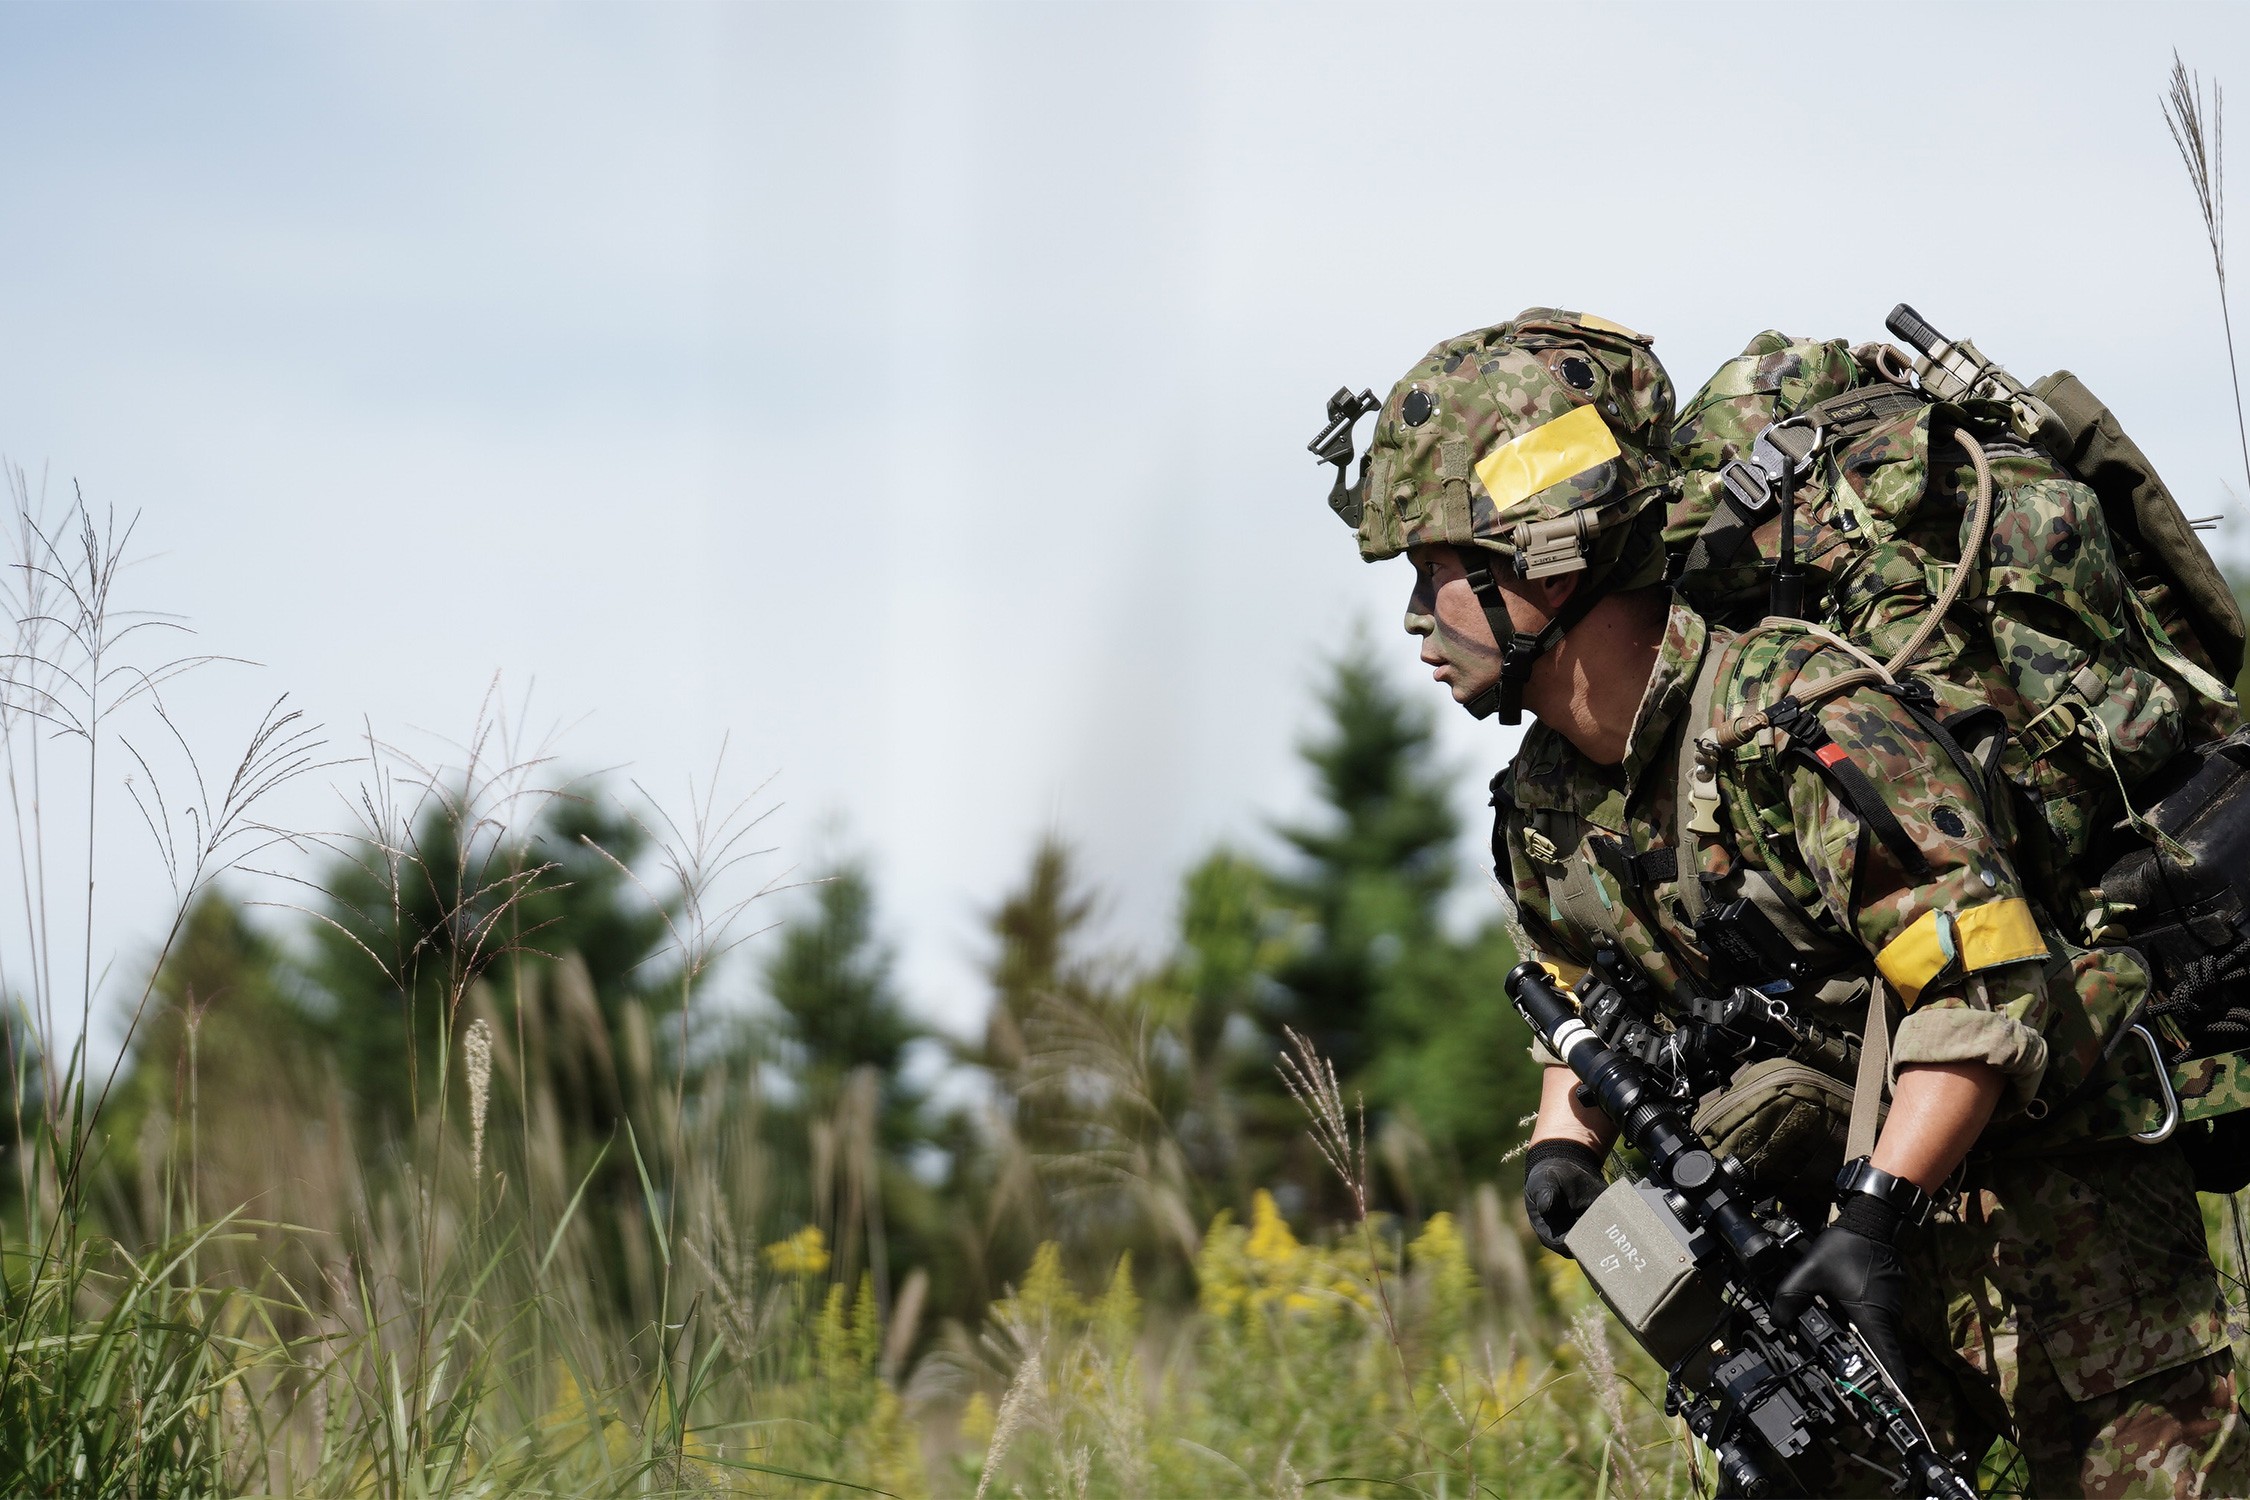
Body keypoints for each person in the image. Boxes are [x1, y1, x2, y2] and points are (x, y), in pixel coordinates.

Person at [1316, 307, 2247, 1497]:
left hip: (2052, 1195)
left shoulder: (1791, 717)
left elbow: (1983, 978)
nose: (1415, 621)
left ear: (1544, 564)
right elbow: (1572, 996)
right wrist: (1566, 1144)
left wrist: (1874, 1214)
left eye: (1439, 574)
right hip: (1833, 1249)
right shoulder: (1544, 805)